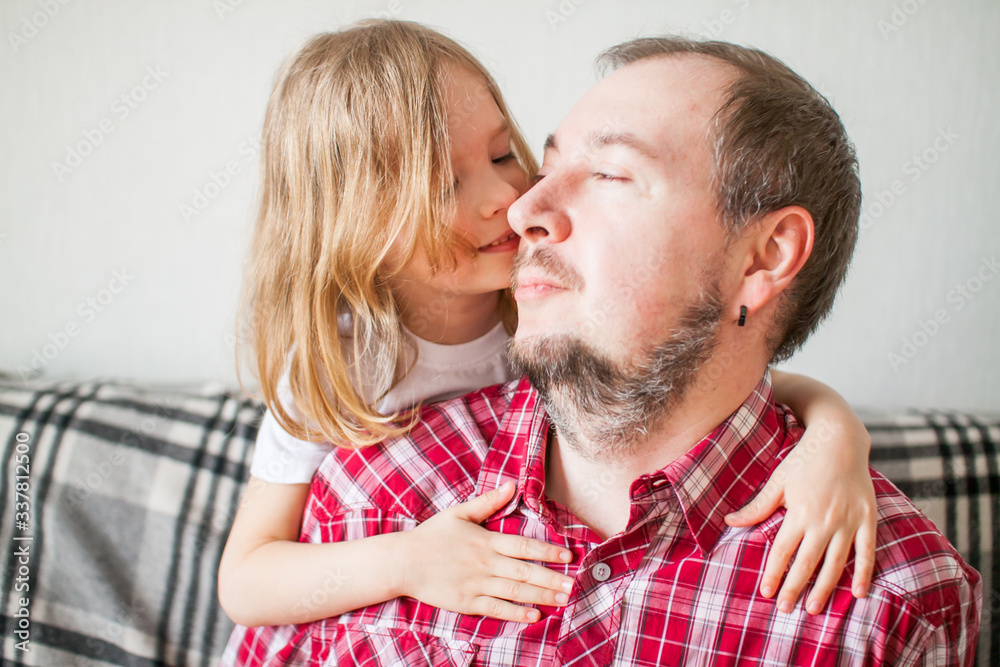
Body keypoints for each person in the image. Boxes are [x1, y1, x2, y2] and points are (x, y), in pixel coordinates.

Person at [218, 22, 897, 664]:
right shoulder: (342, 367)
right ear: (352, 225)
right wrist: (406, 561)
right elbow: (246, 577)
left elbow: (735, 374)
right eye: (447, 184)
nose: (514, 202)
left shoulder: (542, 299)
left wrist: (835, 437)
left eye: (502, 155)